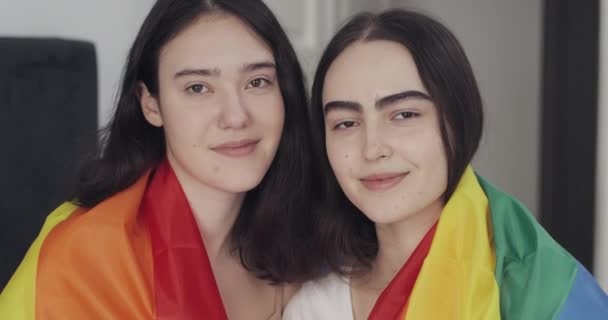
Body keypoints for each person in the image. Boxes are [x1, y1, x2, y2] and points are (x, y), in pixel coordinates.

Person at [0, 0, 320, 319]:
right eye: (198, 87)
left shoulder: (303, 239)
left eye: (257, 81)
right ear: (152, 105)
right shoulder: (89, 255)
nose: (236, 116)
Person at [284, 8, 608, 319]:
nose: (372, 149)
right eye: (346, 123)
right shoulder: (310, 300)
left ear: (458, 121)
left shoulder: (538, 291)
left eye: (404, 115)